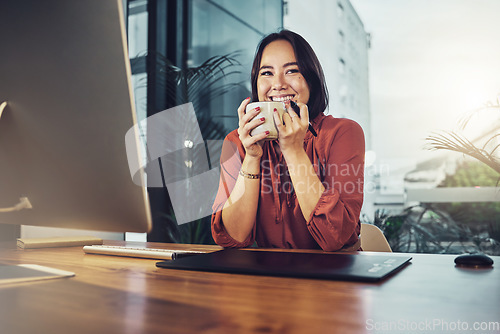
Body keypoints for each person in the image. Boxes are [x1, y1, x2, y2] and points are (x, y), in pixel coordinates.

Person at [211, 30, 365, 251]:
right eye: (267, 73)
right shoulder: (237, 141)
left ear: (311, 79)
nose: (278, 84)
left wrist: (293, 150)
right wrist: (252, 158)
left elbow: (335, 237)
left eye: (292, 70)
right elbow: (233, 237)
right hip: (270, 277)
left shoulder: (343, 132)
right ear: (255, 84)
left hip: (335, 275)